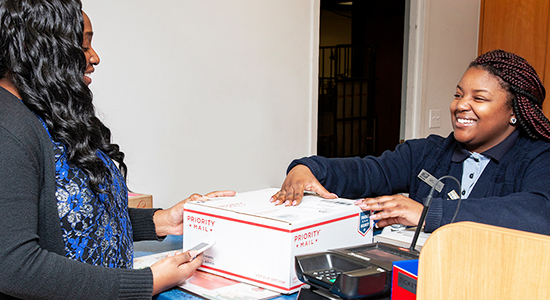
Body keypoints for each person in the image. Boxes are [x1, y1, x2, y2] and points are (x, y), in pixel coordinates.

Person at [0, 1, 235, 299]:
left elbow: (76, 222)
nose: (94, 57)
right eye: (83, 45)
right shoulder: (8, 128)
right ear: (44, 46)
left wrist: (161, 220)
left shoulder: (47, 112)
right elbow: (13, 266)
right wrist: (147, 283)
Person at [271, 49, 550, 236]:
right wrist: (308, 169)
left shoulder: (539, 156)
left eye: (479, 98)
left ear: (515, 111)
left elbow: (537, 213)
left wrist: (428, 214)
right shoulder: (428, 152)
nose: (460, 106)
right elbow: (370, 172)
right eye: (458, 95)